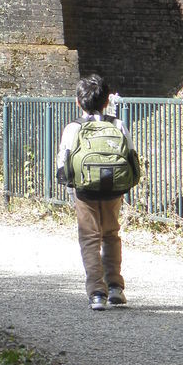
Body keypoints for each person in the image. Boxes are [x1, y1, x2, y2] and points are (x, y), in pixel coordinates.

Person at [56, 72, 138, 311]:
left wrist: (67, 180)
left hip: (85, 189)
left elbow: (63, 160)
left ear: (78, 102)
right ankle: (115, 288)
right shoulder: (118, 124)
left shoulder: (73, 128)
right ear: (106, 102)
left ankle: (97, 293)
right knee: (111, 234)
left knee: (90, 237)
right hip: (113, 187)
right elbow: (130, 155)